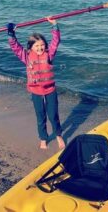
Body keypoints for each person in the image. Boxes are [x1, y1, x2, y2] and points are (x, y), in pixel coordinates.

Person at [6, 18, 65, 150]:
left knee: (53, 115)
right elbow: (15, 47)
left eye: (42, 45)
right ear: (31, 47)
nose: (40, 48)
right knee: (40, 116)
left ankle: (58, 135)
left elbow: (56, 42)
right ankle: (43, 138)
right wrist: (11, 33)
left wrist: (55, 25)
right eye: (36, 45)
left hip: (50, 90)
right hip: (36, 92)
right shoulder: (26, 56)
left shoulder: (49, 54)